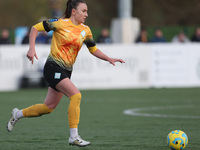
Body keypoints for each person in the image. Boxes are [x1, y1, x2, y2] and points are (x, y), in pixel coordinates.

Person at [7, 0, 125, 147]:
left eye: (87, 11)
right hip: (53, 67)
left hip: (66, 71)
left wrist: (109, 58)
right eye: (84, 11)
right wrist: (31, 48)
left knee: (47, 108)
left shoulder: (86, 30)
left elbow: (93, 49)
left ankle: (17, 114)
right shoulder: (60, 23)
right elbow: (35, 28)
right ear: (74, 11)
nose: (86, 14)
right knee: (76, 95)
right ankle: (74, 137)